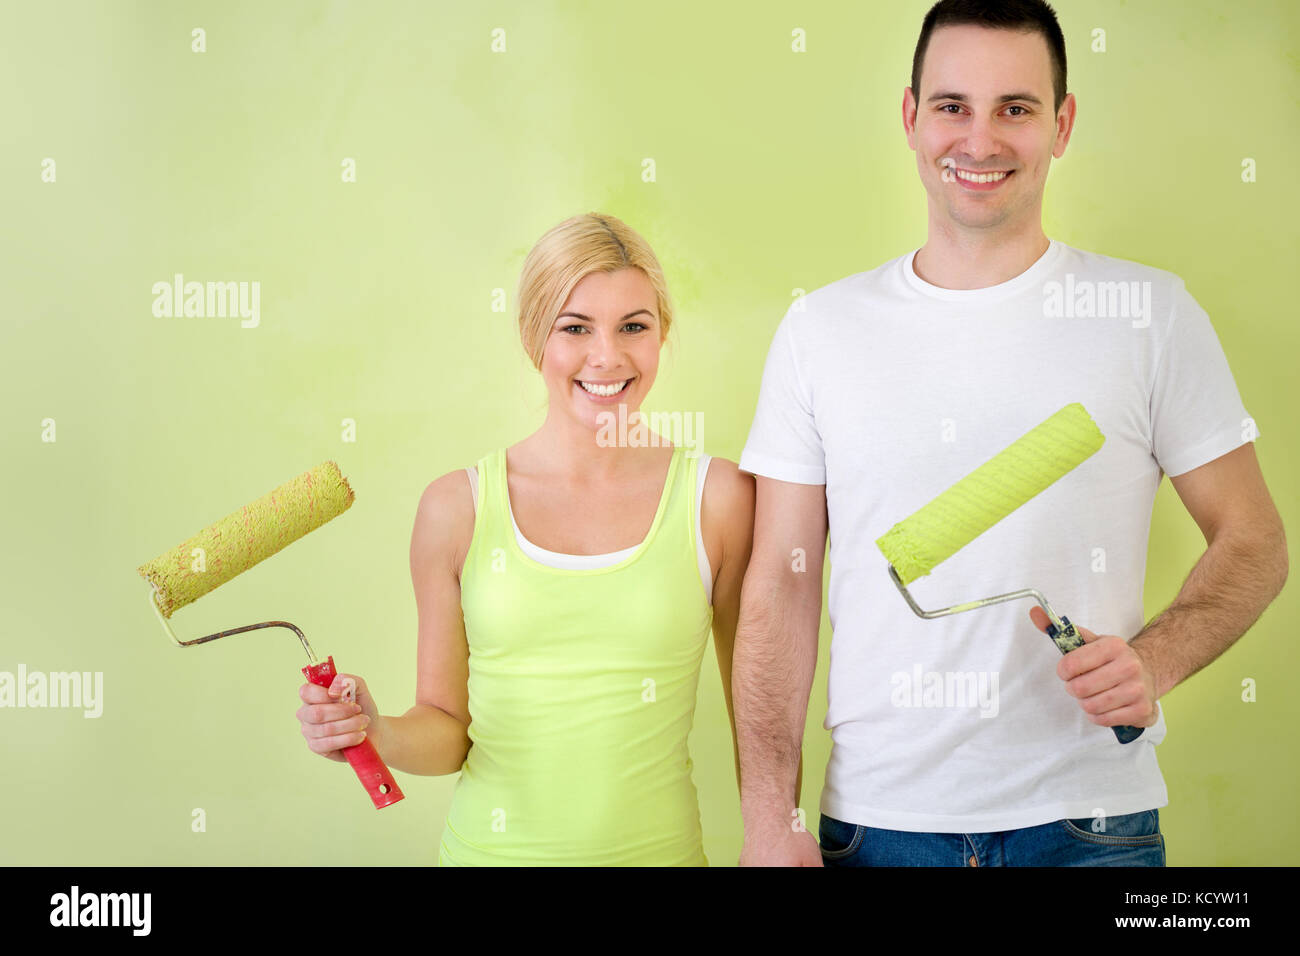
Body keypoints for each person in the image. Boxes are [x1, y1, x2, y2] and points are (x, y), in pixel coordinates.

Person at [732, 0, 1288, 867]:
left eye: (1015, 109)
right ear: (911, 117)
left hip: (1089, 826)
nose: (980, 140)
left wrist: (1156, 660)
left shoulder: (1148, 315)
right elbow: (780, 585)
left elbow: (1254, 539)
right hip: (878, 826)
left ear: (1062, 125)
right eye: (953, 106)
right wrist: (773, 817)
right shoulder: (822, 330)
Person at [296, 212, 755, 865]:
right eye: (575, 327)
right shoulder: (456, 508)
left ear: (661, 335)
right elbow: (448, 731)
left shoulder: (718, 498)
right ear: (533, 337)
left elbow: (758, 710)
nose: (608, 356)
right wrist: (375, 730)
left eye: (634, 326)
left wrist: (774, 831)